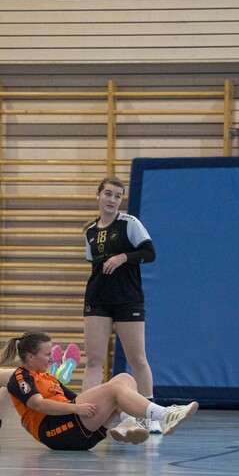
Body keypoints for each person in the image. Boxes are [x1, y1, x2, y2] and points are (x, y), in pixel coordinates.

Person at [0, 330, 198, 451]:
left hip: (73, 427)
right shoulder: (20, 378)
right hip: (54, 431)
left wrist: (87, 405)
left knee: (125, 378)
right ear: (30, 356)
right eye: (47, 354)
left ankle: (127, 422)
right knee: (115, 388)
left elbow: (74, 398)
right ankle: (163, 415)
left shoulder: (47, 376)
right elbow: (38, 404)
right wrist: (76, 409)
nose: (52, 359)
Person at [80, 175, 159, 437]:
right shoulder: (90, 231)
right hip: (97, 301)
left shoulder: (129, 224)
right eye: (108, 194)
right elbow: (94, 266)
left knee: (138, 359)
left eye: (117, 196)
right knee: (94, 361)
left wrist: (123, 257)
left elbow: (150, 253)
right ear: (98, 195)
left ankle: (150, 415)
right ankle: (87, 415)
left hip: (128, 300)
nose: (112, 200)